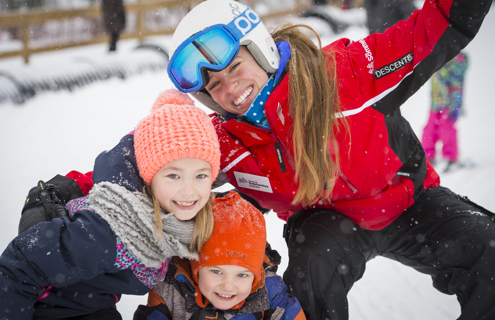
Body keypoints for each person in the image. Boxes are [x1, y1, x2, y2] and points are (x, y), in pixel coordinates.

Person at [164, 0, 494, 319]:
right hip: (328, 226)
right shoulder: (226, 144)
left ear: (260, 48)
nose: (231, 87)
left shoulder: (345, 74)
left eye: (235, 66)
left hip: (409, 204)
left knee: (488, 249)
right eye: (215, 86)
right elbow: (157, 162)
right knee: (310, 273)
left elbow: (433, 27)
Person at [0, 89, 221, 320]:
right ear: (149, 178)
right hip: (49, 309)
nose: (188, 190)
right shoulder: (109, 230)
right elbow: (19, 264)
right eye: (173, 176)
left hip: (93, 305)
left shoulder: (182, 222)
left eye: (201, 176)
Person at [133, 191, 306, 320]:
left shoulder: (270, 291)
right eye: (216, 271)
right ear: (195, 264)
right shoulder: (170, 288)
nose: (228, 287)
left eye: (242, 275)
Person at [421, 52, 469, 172]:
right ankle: (427, 156)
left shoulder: (455, 60)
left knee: (446, 129)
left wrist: (456, 103)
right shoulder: (438, 57)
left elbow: (456, 82)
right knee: (430, 129)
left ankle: (450, 158)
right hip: (436, 102)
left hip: (449, 103)